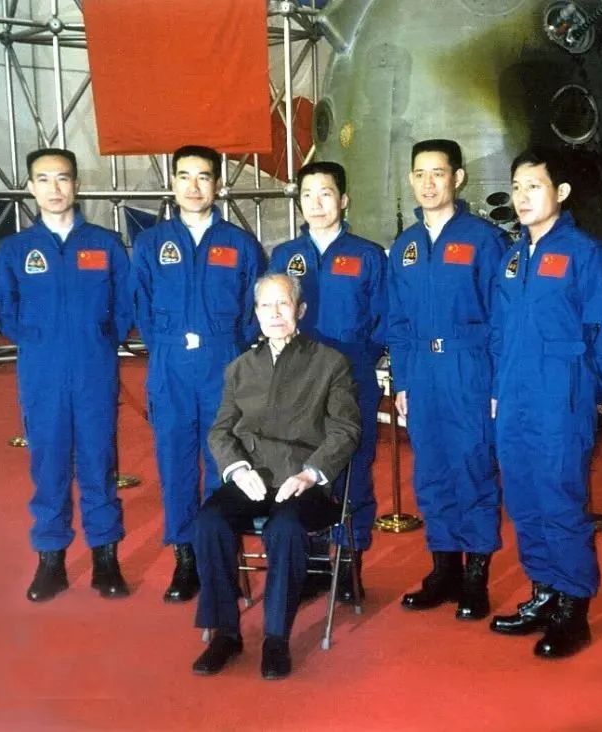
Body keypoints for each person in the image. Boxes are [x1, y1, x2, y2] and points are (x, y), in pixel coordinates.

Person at [489, 147, 602, 658]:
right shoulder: (511, 259)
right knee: (523, 499)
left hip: (561, 398)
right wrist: (497, 392)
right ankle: (544, 593)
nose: (522, 196)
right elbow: (499, 333)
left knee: (559, 499)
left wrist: (585, 388)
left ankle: (573, 610)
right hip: (514, 397)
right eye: (517, 187)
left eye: (534, 186)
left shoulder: (587, 254)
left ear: (562, 192)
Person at [191, 273, 361, 680]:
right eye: (266, 305)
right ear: (255, 313)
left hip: (303, 484)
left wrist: (311, 474)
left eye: (283, 303)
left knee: (284, 529)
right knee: (208, 522)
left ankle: (276, 638)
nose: (275, 313)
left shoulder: (330, 363)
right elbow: (220, 431)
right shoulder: (239, 368)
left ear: (300, 310)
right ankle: (225, 633)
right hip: (252, 478)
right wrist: (237, 468)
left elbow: (345, 430)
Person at [0, 147, 133, 602]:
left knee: (98, 460)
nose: (54, 188)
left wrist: (100, 339)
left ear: (77, 184)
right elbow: (4, 306)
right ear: (30, 187)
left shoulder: (105, 244)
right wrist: (39, 340)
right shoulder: (15, 250)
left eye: (63, 178)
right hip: (43, 371)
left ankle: (105, 559)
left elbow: (125, 301)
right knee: (48, 462)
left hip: (94, 368)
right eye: (44, 179)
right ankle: (50, 560)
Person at [131, 145, 266, 604]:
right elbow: (140, 305)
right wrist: (166, 347)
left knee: (225, 461)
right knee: (175, 463)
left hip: (223, 362)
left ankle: (216, 556)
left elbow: (254, 308)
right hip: (170, 365)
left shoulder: (240, 244)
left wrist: (229, 346)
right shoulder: (151, 244)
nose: (193, 186)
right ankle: (185, 558)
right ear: (172, 183)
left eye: (203, 177)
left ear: (218, 185)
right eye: (184, 176)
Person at [387, 139, 509, 620]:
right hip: (421, 370)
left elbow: (501, 317)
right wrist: (401, 381)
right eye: (420, 174)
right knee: (431, 471)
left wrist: (496, 385)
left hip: (468, 366)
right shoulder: (405, 246)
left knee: (472, 467)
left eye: (438, 173)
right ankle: (444, 570)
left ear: (458, 178)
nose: (429, 183)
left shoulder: (484, 240)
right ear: (411, 180)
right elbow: (397, 320)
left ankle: (476, 577)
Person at [267, 161, 387, 602]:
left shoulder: (368, 255)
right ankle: (314, 562)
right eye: (307, 195)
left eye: (326, 193)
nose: (316, 203)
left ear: (344, 200)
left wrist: (356, 361)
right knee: (299, 465)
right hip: (297, 383)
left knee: (353, 468)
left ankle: (350, 560)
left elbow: (383, 319)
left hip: (351, 378)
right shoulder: (285, 256)